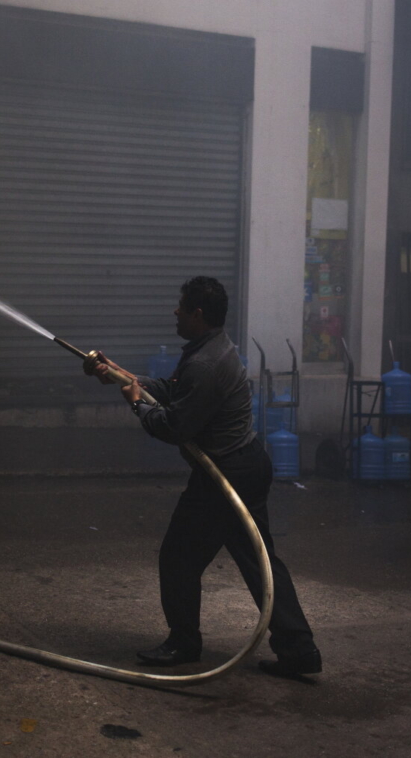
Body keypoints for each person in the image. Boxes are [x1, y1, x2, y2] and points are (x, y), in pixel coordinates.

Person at [88, 276, 321, 678]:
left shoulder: (205, 363)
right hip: (246, 465)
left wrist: (135, 405)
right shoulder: (208, 349)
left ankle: (183, 643)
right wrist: (118, 375)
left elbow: (173, 426)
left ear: (197, 313)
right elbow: (170, 390)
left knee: (178, 557)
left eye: (181, 307)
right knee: (259, 559)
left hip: (225, 477)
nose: (174, 312)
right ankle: (299, 650)